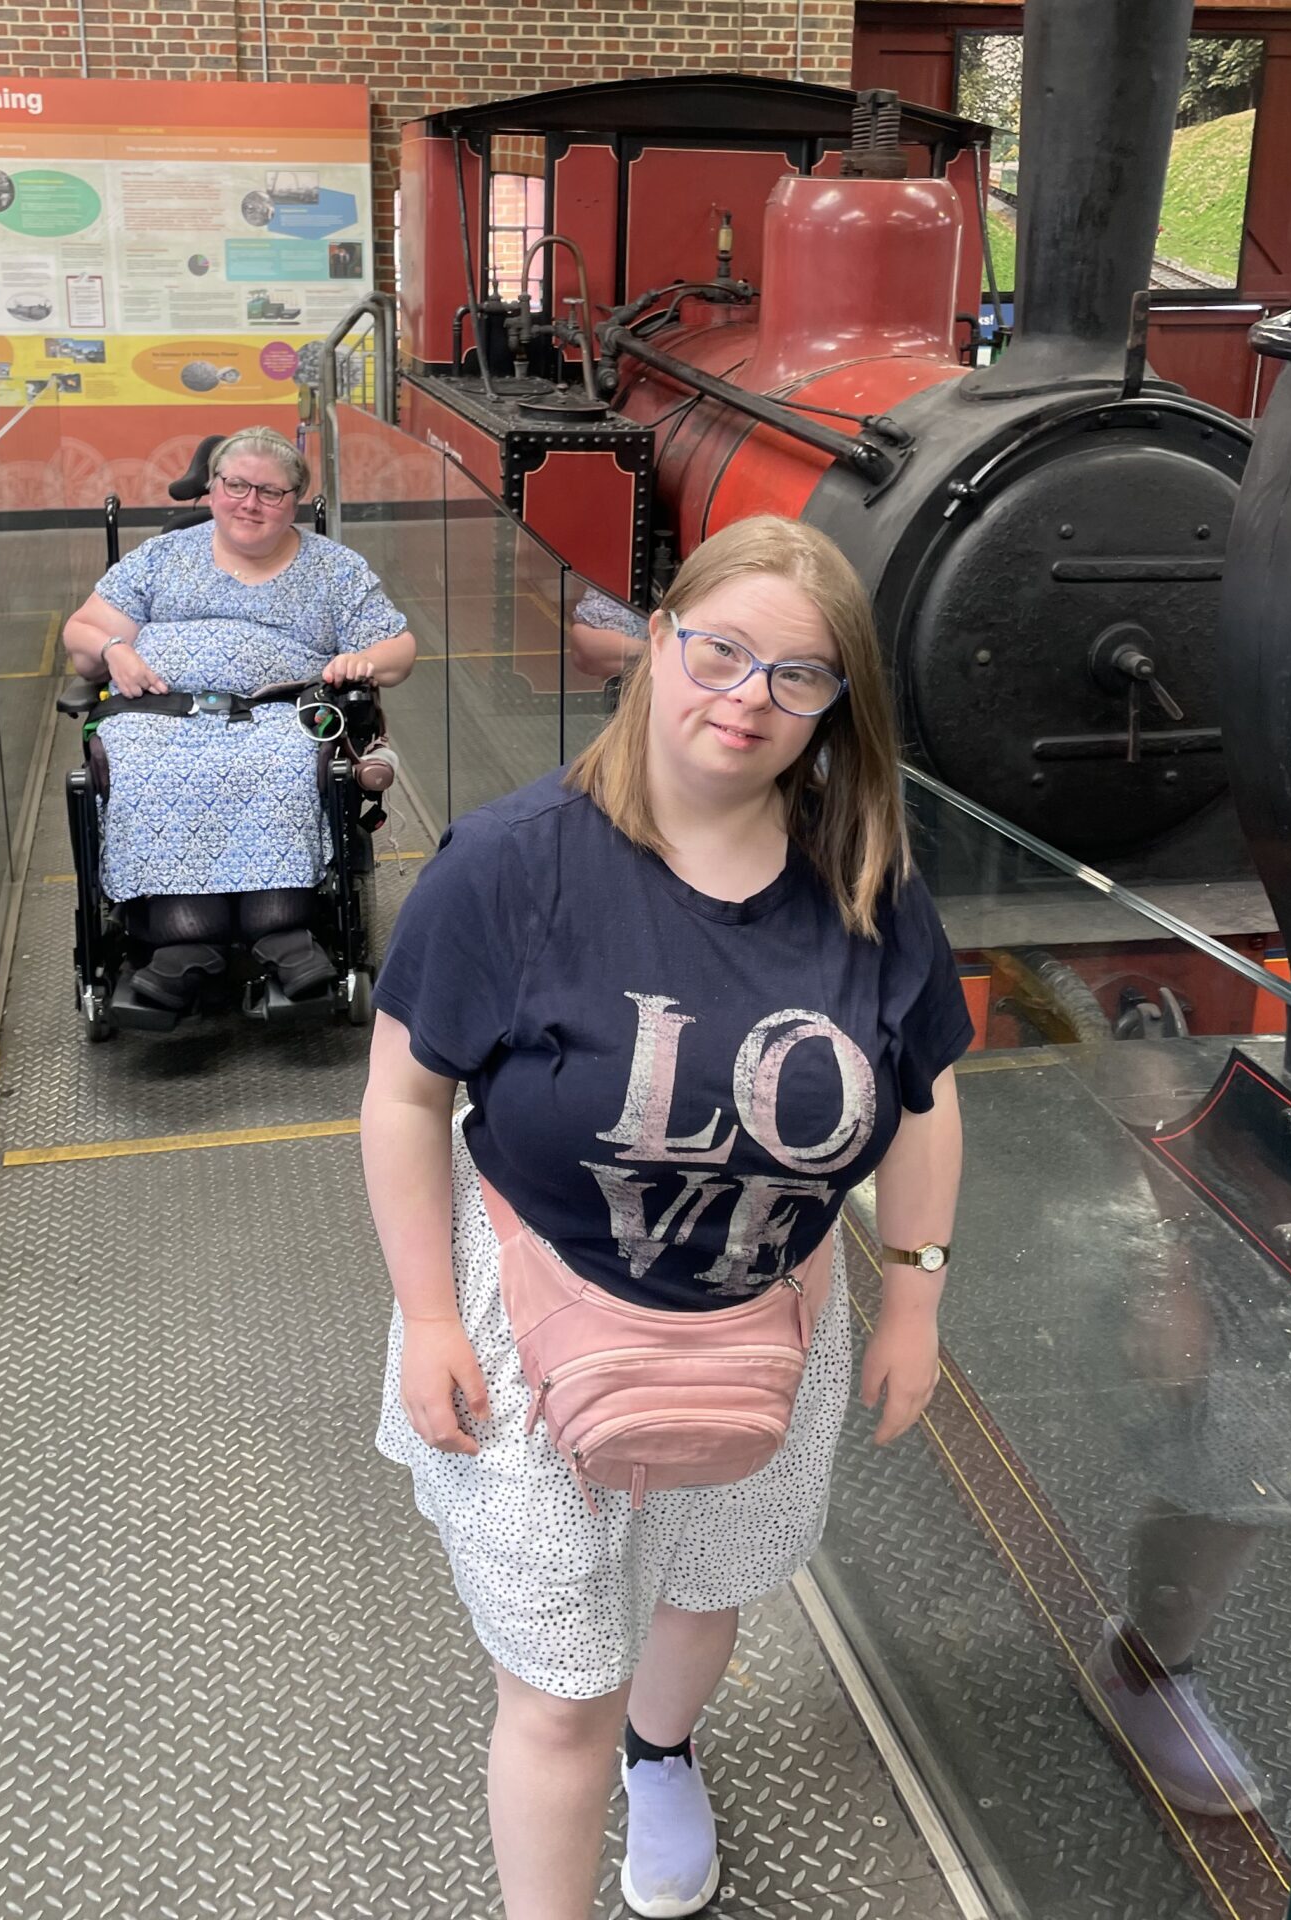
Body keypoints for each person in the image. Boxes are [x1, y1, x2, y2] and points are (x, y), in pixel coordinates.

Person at [360, 516, 972, 1919]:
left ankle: (666, 1749)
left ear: (834, 712)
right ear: (657, 641)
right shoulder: (511, 866)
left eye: (799, 677)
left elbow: (926, 1094)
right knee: (559, 1685)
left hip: (774, 1314)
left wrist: (919, 1297)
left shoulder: (869, 889)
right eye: (722, 652)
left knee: (713, 1576)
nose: (749, 697)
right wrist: (430, 1318)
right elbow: (403, 1099)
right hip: (532, 1314)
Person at [62, 427, 415, 1006]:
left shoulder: (334, 569)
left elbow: (399, 652)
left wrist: (362, 659)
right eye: (236, 485)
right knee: (144, 767)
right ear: (213, 487)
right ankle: (181, 943)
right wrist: (112, 650)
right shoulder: (163, 557)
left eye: (270, 492)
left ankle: (282, 932)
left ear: (294, 499)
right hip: (160, 716)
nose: (249, 502)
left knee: (286, 764)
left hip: (276, 715)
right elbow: (82, 632)